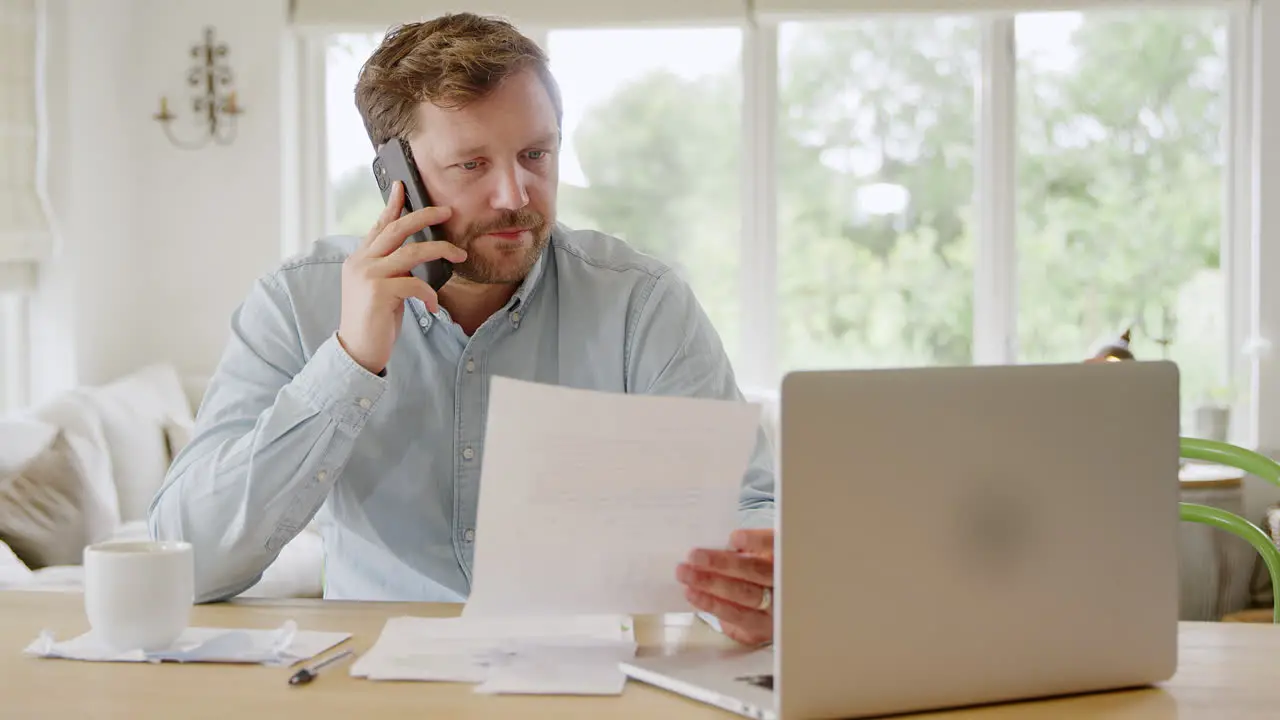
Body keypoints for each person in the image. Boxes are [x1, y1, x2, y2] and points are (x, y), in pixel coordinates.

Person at [147, 12, 776, 646]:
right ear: (399, 179)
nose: (515, 194)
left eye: (536, 154)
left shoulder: (643, 305)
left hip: (587, 676)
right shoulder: (295, 302)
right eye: (472, 165)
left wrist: (760, 586)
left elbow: (748, 511)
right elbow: (188, 561)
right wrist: (349, 363)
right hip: (371, 683)